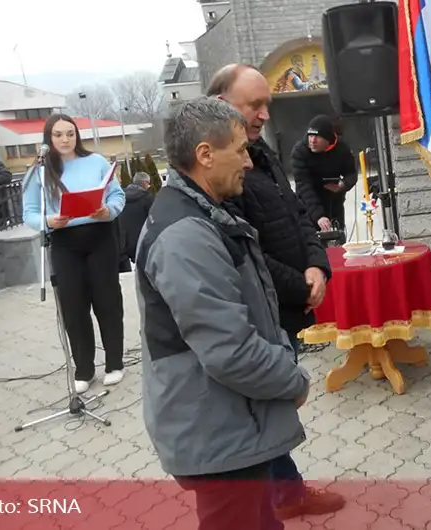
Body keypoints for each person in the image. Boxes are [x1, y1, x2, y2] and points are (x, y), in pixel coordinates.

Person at [136, 97, 312, 530]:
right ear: (205, 154)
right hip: (214, 431)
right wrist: (293, 380)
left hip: (229, 423)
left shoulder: (203, 213)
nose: (249, 162)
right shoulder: (186, 236)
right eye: (240, 149)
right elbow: (229, 348)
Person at [204, 64, 344, 519]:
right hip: (263, 309)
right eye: (255, 105)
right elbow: (247, 251)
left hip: (288, 299)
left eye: (267, 103)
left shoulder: (258, 152)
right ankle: (279, 495)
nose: (265, 113)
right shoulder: (223, 169)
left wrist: (317, 265)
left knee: (273, 407)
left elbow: (297, 210)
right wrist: (300, 284)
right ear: (223, 105)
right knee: (267, 406)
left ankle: (286, 491)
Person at [21, 114, 126, 391]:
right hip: (65, 242)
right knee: (74, 307)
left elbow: (117, 195)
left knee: (107, 301)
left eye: (70, 133)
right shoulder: (40, 172)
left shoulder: (96, 162)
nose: (66, 139)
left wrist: (108, 211)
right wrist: (47, 221)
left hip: (100, 238)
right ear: (48, 138)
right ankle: (84, 368)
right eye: (58, 134)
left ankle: (114, 362)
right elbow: (29, 213)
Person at [290, 114, 358, 234]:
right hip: (308, 205)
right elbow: (304, 186)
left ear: (328, 139)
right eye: (310, 135)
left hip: (334, 202)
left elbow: (351, 173)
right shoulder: (300, 151)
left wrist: (343, 184)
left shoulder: (342, 149)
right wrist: (318, 216)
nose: (312, 140)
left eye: (317, 136)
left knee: (337, 241)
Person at [119, 172, 155, 264]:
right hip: (142, 241)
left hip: (123, 242)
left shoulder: (120, 197)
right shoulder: (147, 199)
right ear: (144, 183)